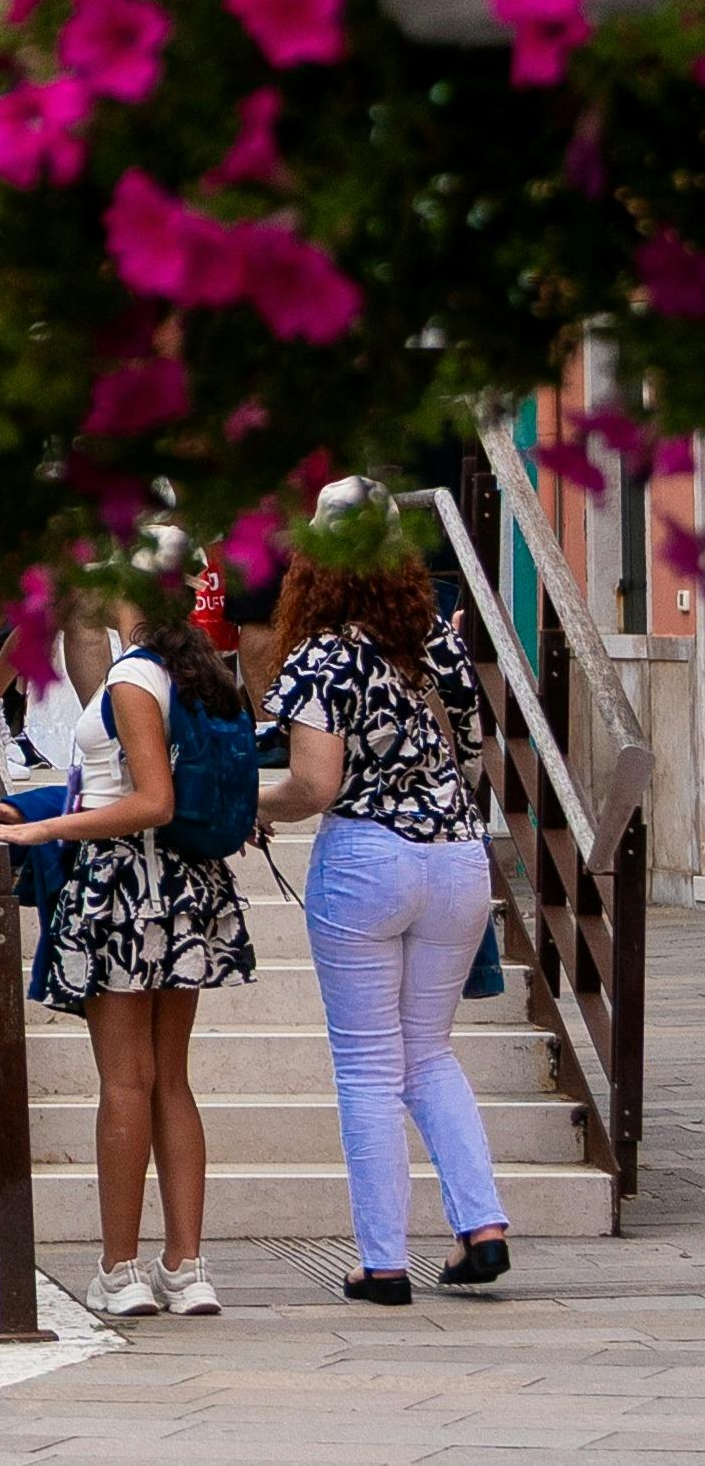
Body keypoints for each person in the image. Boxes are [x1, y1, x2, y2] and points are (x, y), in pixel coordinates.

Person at [261, 478, 511, 1303]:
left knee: (369, 1065)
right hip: (457, 856)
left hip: (369, 859)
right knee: (429, 1052)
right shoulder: (438, 644)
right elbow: (469, 746)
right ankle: (482, 1226)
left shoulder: (322, 656)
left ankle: (382, 1261)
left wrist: (250, 806)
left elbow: (313, 785)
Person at [0, 580, 253, 1319]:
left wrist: (44, 830)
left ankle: (120, 1269)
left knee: (126, 1082)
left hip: (125, 887)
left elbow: (150, 799)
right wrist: (30, 805)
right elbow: (113, 784)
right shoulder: (195, 669)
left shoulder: (131, 675)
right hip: (186, 887)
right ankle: (187, 1268)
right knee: (171, 1081)